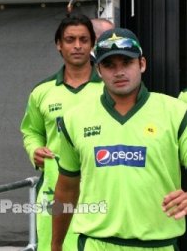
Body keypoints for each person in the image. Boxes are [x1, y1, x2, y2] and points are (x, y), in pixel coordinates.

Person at [52, 27, 187, 251]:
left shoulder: (176, 113)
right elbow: (66, 189)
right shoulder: (74, 119)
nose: (119, 72)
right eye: (109, 65)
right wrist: (55, 246)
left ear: (141, 64)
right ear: (99, 70)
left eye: (126, 63)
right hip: (97, 244)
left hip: (159, 245)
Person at [20, 14, 113, 250]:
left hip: (102, 189)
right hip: (55, 192)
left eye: (83, 39)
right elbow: (31, 131)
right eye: (70, 39)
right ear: (58, 45)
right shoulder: (42, 92)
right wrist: (34, 150)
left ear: (92, 44)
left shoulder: (111, 88)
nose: (78, 46)